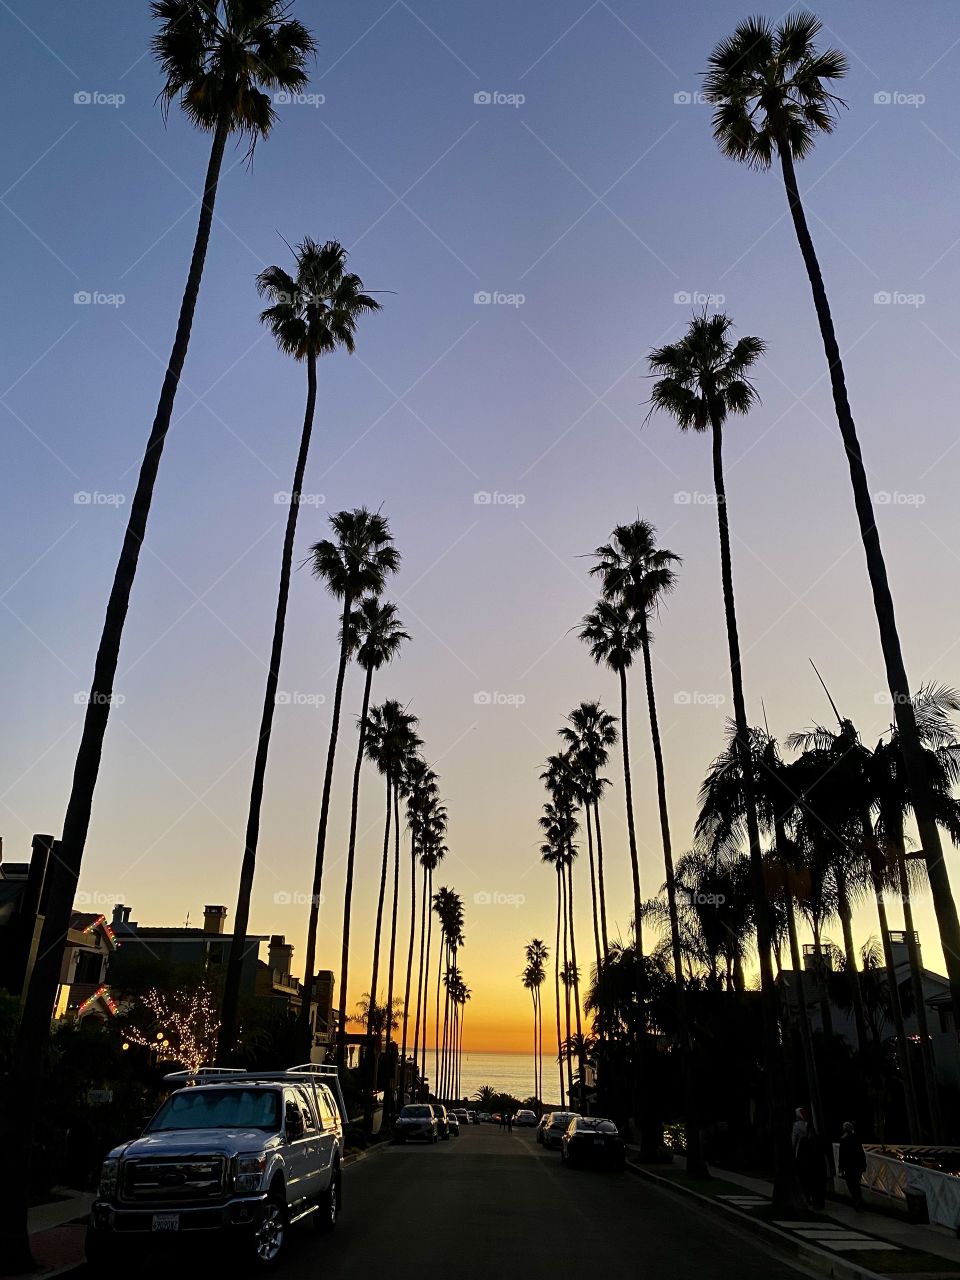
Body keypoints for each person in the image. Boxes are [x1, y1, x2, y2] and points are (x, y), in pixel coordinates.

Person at [795, 1120, 828, 1210]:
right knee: (817, 1185)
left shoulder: (807, 1140)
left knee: (813, 1185)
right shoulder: (816, 1139)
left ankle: (816, 1201)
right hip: (816, 1166)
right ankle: (818, 1202)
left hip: (810, 1166)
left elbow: (800, 1155)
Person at [838, 1121, 867, 1210]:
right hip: (856, 1165)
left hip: (849, 1166)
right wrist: (863, 1165)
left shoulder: (844, 1140)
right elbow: (861, 1153)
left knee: (851, 1184)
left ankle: (856, 1201)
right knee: (856, 1184)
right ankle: (858, 1201)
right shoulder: (856, 1138)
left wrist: (841, 1167)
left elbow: (841, 1154)